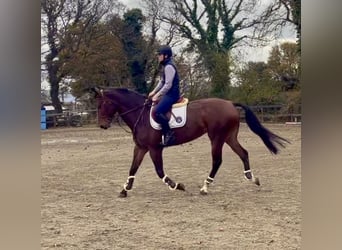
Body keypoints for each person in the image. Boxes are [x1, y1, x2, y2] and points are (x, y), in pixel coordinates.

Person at [148, 45, 180, 146]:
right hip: (168, 94)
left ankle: (169, 134)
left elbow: (168, 84)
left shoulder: (169, 66)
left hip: (172, 95)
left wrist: (157, 95)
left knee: (157, 111)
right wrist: (153, 92)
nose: (158, 56)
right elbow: (162, 82)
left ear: (165, 56)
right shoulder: (166, 66)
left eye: (159, 55)